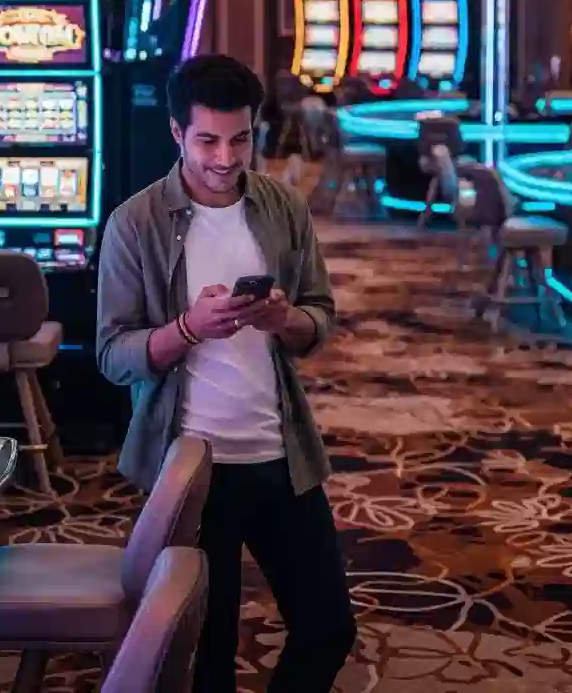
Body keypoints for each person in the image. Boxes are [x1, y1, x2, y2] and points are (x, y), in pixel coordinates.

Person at [96, 54, 357, 693]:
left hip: (280, 454)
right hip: (191, 469)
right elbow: (112, 355)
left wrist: (283, 319)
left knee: (328, 628)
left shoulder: (282, 206)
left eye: (240, 140)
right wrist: (188, 329)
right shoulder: (135, 223)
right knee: (207, 658)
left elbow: (320, 318)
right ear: (176, 132)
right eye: (208, 141)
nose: (225, 158)